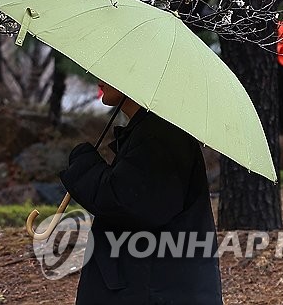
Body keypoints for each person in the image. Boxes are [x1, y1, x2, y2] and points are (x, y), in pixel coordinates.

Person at [58, 82, 223, 305]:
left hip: (152, 290)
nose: (99, 78)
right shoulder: (150, 131)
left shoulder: (161, 137)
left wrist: (83, 163)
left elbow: (127, 203)